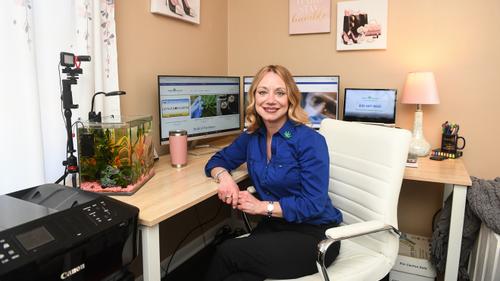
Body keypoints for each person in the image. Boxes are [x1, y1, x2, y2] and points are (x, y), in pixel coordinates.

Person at [204, 65, 342, 281]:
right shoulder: (252, 137)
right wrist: (225, 179)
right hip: (275, 227)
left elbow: (313, 203)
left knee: (226, 252)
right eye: (263, 92)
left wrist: (261, 206)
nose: (270, 100)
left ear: (291, 99)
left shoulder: (310, 141)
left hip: (315, 235)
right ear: (254, 98)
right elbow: (217, 161)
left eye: (279, 92)